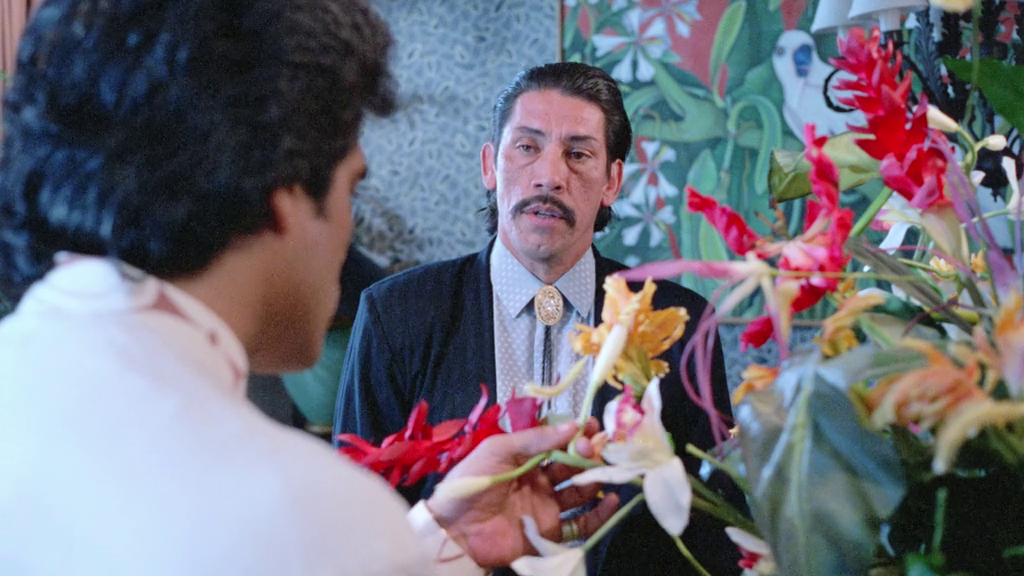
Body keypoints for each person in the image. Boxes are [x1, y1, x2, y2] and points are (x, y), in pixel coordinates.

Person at [0, 1, 620, 575]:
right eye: (352, 188)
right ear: (286, 199)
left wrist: (442, 540)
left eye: (578, 154)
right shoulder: (302, 507)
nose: (352, 231)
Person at [335, 62, 748, 574]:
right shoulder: (397, 314)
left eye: (578, 154)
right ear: (490, 166)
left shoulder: (677, 321)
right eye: (527, 147)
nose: (550, 176)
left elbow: (712, 530)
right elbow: (356, 521)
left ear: (612, 181)